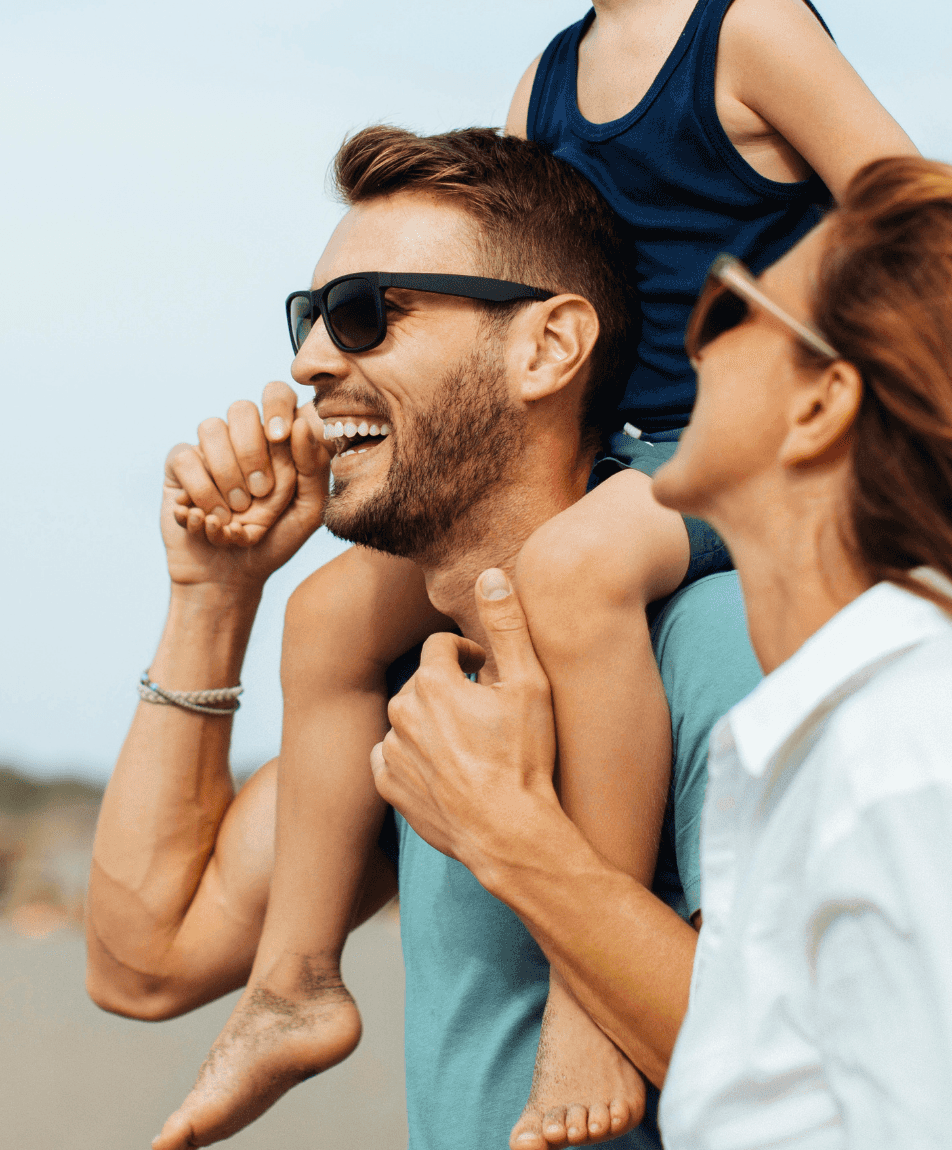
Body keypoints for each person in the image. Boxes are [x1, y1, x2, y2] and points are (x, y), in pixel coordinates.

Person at [202, 0, 919, 1148]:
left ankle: (597, 1004)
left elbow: (912, 209)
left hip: (736, 459)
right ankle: (293, 983)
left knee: (582, 574)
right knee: (334, 612)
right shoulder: (548, 73)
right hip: (614, 455)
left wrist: (761, 317)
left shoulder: (751, 25)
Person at [373, 157, 952, 1147]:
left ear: (818, 404)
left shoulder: (922, 751)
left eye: (723, 311)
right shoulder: (872, 733)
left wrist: (511, 837)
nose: (678, 353)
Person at [85, 127, 763, 1150]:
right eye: (309, 318)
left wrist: (507, 835)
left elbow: (815, 1074)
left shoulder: (711, 641)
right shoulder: (411, 684)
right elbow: (143, 960)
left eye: (366, 315)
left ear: (546, 348)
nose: (311, 361)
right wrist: (211, 600)